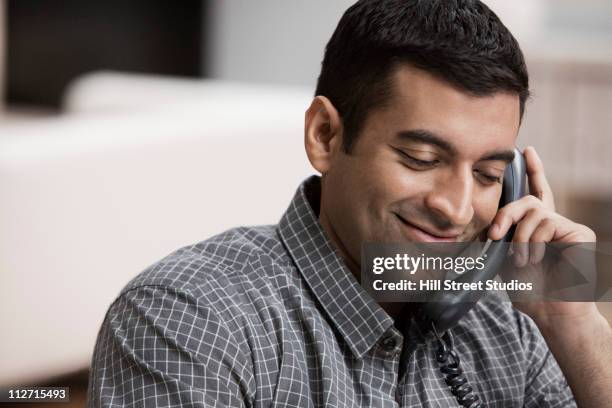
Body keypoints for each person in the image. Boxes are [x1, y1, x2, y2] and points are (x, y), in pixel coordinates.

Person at [87, 1, 612, 406]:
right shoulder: (189, 320)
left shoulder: (511, 324)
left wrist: (574, 324)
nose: (456, 209)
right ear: (324, 136)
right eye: (420, 158)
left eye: (488, 174)